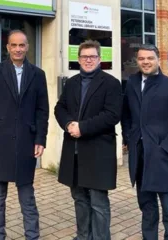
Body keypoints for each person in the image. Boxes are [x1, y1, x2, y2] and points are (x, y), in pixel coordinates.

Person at [0, 29, 49, 240]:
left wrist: (40, 139)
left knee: (27, 196)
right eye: (14, 45)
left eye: (22, 45)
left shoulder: (38, 74)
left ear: (27, 47)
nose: (18, 49)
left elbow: (42, 110)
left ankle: (32, 236)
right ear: (8, 47)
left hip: (26, 143)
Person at [121, 44, 168, 239]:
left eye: (150, 58)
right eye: (142, 58)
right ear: (138, 61)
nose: (145, 62)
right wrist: (130, 137)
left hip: (162, 157)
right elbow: (126, 114)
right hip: (140, 156)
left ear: (158, 60)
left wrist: (166, 147)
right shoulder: (132, 83)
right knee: (147, 208)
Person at [54, 39, 122, 240]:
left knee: (98, 202)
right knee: (79, 199)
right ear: (78, 59)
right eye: (84, 56)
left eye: (92, 56)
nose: (88, 60)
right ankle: (83, 236)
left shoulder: (111, 83)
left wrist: (82, 127)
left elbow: (112, 115)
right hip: (74, 152)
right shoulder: (72, 82)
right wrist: (68, 125)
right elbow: (60, 108)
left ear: (100, 59)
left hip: (98, 151)